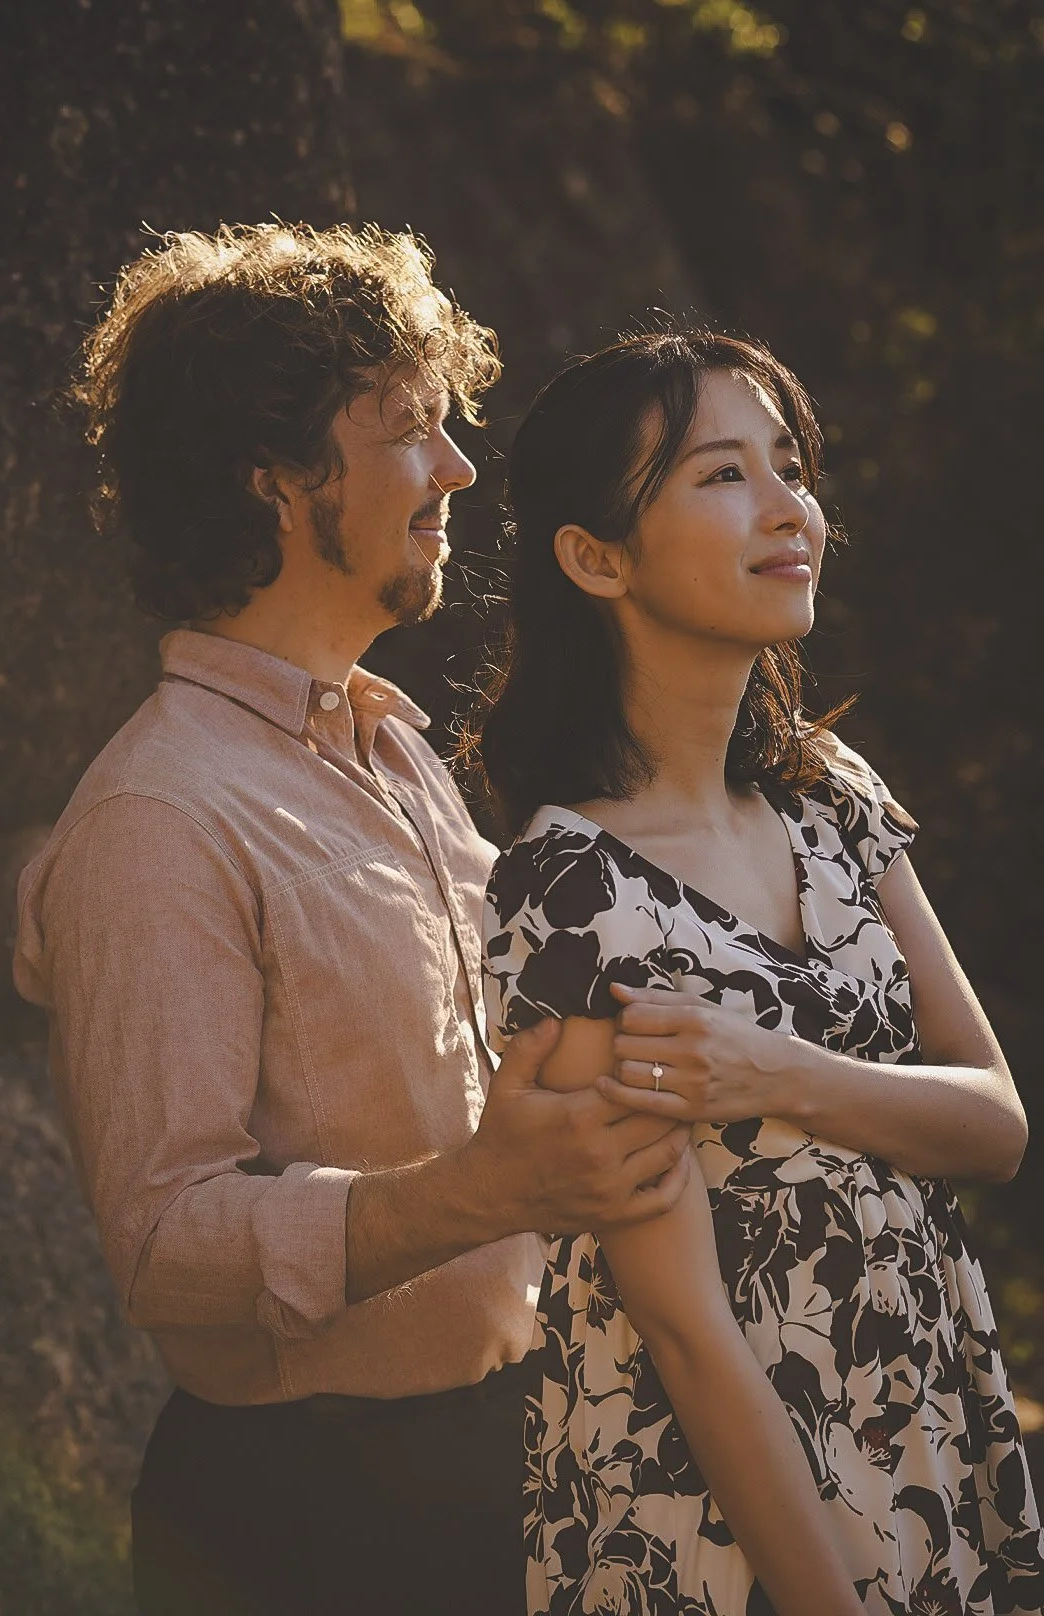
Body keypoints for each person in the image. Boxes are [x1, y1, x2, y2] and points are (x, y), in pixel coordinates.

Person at [12, 223, 703, 1616]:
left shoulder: (390, 751)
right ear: (274, 481)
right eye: (410, 432)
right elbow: (163, 1242)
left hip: (503, 1462)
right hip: (302, 1530)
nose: (455, 470)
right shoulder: (159, 819)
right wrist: (483, 1193)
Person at [470, 327, 1044, 1614]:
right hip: (717, 1521)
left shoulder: (830, 795)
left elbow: (996, 1120)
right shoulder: (571, 891)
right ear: (594, 555)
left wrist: (773, 1069)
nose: (791, 508)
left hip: (923, 1436)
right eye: (723, 474)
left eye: (791, 465)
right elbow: (682, 1330)